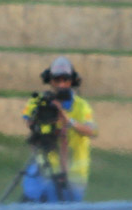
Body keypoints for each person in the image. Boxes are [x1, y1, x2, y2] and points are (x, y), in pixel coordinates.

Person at [20, 56, 97, 202]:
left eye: (65, 79)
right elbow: (28, 120)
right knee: (30, 204)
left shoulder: (81, 106)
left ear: (72, 81)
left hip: (73, 175)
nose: (61, 84)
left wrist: (68, 120)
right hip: (43, 168)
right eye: (57, 79)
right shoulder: (40, 101)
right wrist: (41, 116)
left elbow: (91, 130)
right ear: (50, 80)